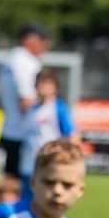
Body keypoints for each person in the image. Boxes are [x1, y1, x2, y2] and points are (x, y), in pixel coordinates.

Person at [0, 22, 50, 180]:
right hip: (23, 133)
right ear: (29, 40)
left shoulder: (11, 59)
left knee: (11, 181)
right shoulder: (25, 62)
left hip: (10, 129)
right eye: (42, 41)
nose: (45, 46)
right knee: (25, 183)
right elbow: (26, 101)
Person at [16, 69, 75, 202]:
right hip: (28, 163)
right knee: (25, 201)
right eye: (41, 83)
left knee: (45, 201)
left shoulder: (58, 108)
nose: (44, 87)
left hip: (49, 162)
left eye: (48, 84)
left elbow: (71, 134)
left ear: (55, 87)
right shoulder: (30, 108)